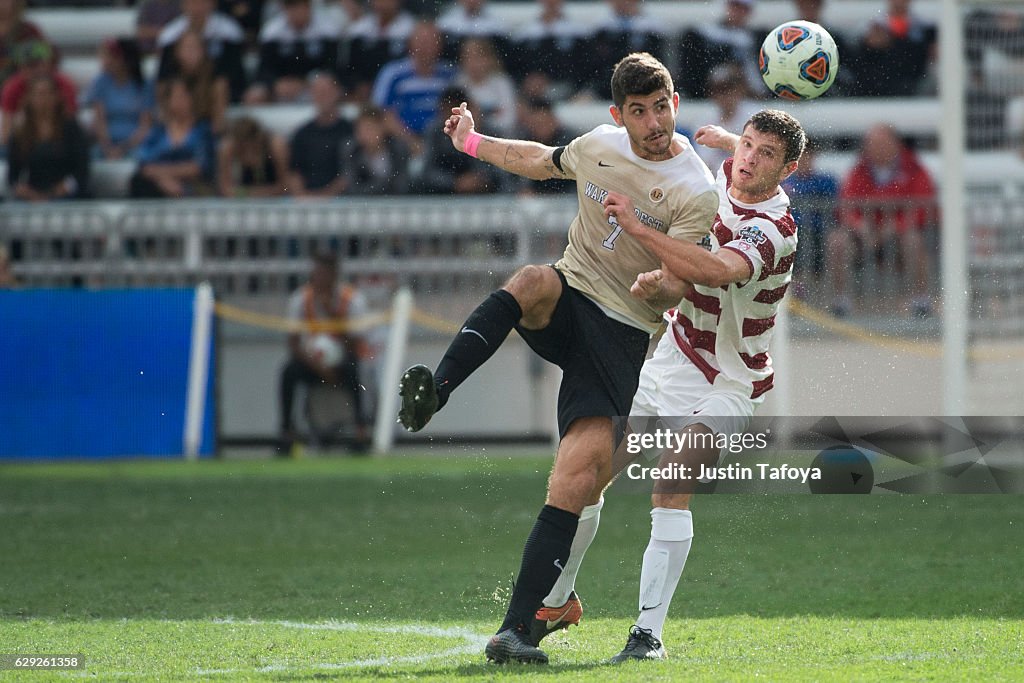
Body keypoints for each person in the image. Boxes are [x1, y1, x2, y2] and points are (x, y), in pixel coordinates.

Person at [397, 52, 720, 664]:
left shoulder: (695, 189)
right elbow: (537, 161)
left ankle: (517, 628)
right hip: (572, 292)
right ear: (617, 115)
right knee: (528, 280)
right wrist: (471, 142)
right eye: (639, 112)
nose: (654, 122)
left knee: (575, 477)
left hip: (623, 333)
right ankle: (437, 390)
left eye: (662, 107)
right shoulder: (599, 146)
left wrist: (664, 286)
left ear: (675, 102)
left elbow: (687, 278)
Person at [594, 110, 806, 662]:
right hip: (669, 359)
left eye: (765, 155)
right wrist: (661, 284)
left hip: (731, 383)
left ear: (788, 169)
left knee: (672, 479)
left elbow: (714, 271)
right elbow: (684, 274)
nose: (748, 160)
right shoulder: (721, 182)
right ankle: (548, 601)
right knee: (589, 471)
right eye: (749, 147)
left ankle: (647, 634)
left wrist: (640, 231)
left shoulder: (776, 232)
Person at [825, 124, 936, 317]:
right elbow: (846, 205)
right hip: (864, 236)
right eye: (873, 144)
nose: (877, 149)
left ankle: (921, 301)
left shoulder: (915, 169)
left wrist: (894, 226)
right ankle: (841, 302)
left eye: (882, 143)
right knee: (837, 242)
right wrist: (859, 225)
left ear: (896, 144)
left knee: (914, 242)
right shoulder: (858, 170)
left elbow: (923, 207)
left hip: (901, 236)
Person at [279, 251, 371, 453]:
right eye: (317, 273)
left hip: (342, 360)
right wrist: (318, 366)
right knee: (288, 372)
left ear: (334, 274)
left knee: (357, 371)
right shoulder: (301, 299)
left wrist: (332, 313)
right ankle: (286, 431)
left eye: (325, 273)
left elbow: (357, 342)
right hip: (311, 361)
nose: (320, 278)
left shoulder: (351, 299)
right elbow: (293, 343)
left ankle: (360, 430)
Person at [371, 21, 455, 151]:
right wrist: (411, 141)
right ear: (410, 44)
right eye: (421, 41)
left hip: (442, 140)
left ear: (440, 45)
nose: (425, 47)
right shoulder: (393, 73)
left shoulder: (450, 75)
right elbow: (382, 113)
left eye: (430, 41)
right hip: (400, 141)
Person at [129, 77, 216, 199]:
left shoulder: (202, 131)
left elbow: (200, 166)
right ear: (168, 101)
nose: (181, 101)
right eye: (177, 96)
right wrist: (162, 180)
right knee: (139, 181)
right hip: (157, 186)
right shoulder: (158, 132)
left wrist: (165, 174)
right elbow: (144, 164)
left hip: (193, 186)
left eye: (185, 96)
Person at [7, 74, 90, 201]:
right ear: (29, 98)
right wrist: (28, 193)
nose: (43, 99)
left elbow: (82, 169)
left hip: (65, 194)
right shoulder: (21, 131)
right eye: (38, 94)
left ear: (57, 96)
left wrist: (59, 191)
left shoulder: (71, 128)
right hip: (32, 194)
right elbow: (13, 177)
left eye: (47, 93)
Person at [244, 0, 342, 105]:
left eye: (298, 7)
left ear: (308, 7)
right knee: (255, 95)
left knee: (324, 83)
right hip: (282, 88)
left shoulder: (328, 30)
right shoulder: (272, 33)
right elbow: (263, 69)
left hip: (314, 83)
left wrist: (305, 82)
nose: (295, 13)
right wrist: (275, 83)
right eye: (290, 8)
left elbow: (333, 66)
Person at [84, 37, 155, 160]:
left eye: (112, 57)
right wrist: (107, 147)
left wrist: (124, 148)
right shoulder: (101, 83)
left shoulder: (144, 85)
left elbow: (145, 125)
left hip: (135, 144)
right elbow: (99, 121)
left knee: (143, 158)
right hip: (106, 144)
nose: (106, 61)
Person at [287, 72, 353, 198]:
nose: (323, 96)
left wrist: (325, 197)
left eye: (327, 91)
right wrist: (303, 196)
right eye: (318, 92)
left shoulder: (350, 131)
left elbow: (351, 172)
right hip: (306, 200)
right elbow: (293, 172)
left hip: (342, 199)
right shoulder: (302, 134)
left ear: (337, 92)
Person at [342, 104, 411, 195]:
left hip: (394, 201)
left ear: (382, 128)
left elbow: (401, 184)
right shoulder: (351, 151)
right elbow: (352, 186)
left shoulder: (398, 149)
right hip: (362, 203)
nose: (366, 134)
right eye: (362, 129)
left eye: (370, 128)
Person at [217, 115, 290, 198]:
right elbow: (225, 188)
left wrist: (253, 193)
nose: (249, 154)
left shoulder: (276, 146)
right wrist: (249, 194)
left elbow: (286, 186)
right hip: (246, 193)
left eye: (253, 148)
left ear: (259, 138)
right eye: (243, 149)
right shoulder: (228, 147)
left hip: (276, 195)